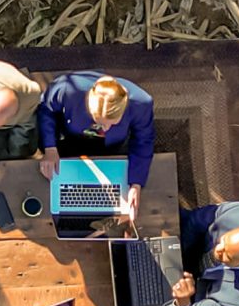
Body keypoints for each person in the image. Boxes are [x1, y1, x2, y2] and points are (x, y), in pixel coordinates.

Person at [35, 71, 154, 219]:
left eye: (112, 123)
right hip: (69, 140)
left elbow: (143, 140)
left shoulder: (141, 103)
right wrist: (50, 148)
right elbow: (46, 109)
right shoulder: (67, 89)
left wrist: (136, 183)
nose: (104, 128)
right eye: (100, 122)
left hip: (110, 147)